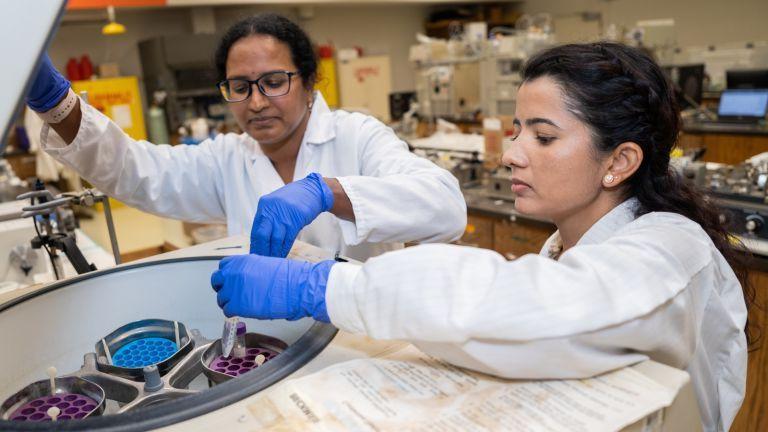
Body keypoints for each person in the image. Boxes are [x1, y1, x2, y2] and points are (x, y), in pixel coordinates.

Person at [211, 42, 751, 432]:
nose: (511, 152)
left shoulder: (672, 246)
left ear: (620, 161)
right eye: (515, 130)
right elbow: (496, 325)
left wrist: (325, 287)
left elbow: (541, 309)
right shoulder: (566, 246)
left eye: (543, 136)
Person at [25, 13, 466, 261]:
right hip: (267, 346)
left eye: (274, 81)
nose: (255, 103)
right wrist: (54, 101)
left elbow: (446, 206)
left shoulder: (357, 136)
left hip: (362, 343)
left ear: (311, 81)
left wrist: (328, 193)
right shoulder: (227, 159)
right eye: (240, 87)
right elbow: (136, 172)